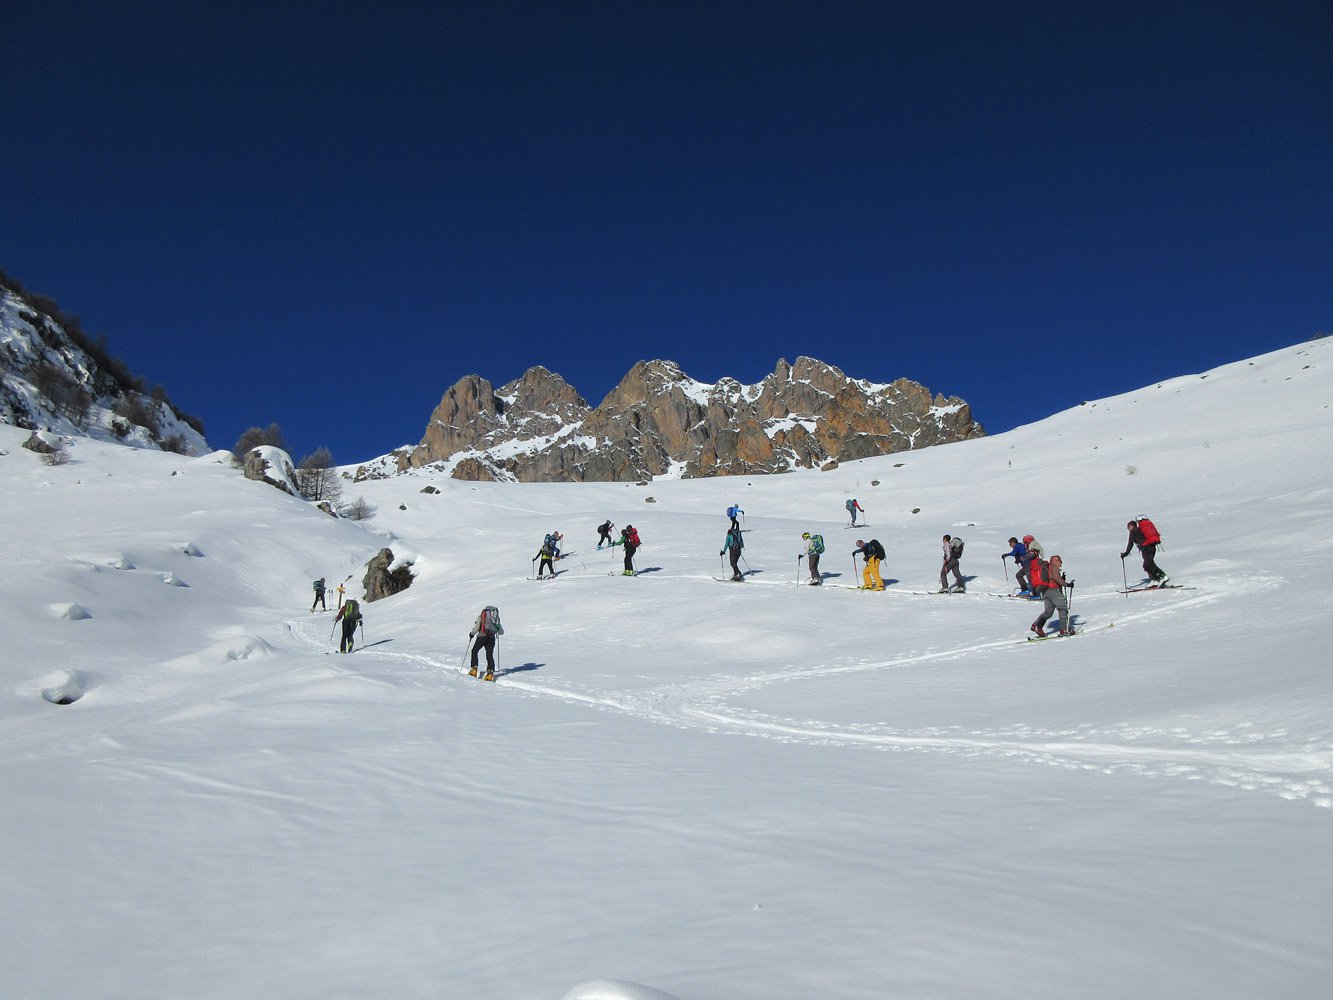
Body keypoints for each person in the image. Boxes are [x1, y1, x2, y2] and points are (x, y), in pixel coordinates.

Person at [1030, 554, 1075, 637]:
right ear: (1056, 561)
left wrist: (1061, 578)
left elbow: (1053, 577)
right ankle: (1064, 630)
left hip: (1045, 591)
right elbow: (1055, 578)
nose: (1060, 564)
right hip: (1053, 590)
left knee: (1048, 612)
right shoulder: (1054, 566)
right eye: (1060, 561)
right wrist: (1067, 584)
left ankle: (1037, 625)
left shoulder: (1047, 567)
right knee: (1062, 608)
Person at [1121, 519, 1168, 585]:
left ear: (1131, 526)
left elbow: (1130, 544)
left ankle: (1162, 576)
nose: (1127, 529)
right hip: (1152, 547)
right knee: (1146, 565)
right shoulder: (1140, 530)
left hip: (1146, 548)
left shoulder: (1133, 532)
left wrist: (1126, 553)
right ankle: (1154, 580)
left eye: (1128, 527)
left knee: (1150, 564)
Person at [468, 605, 504, 681]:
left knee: (474, 651)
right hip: (491, 638)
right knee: (489, 654)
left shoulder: (482, 616)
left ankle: (474, 669)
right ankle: (490, 672)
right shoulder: (495, 619)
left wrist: (472, 634)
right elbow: (501, 632)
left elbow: (477, 627)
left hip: (482, 637)